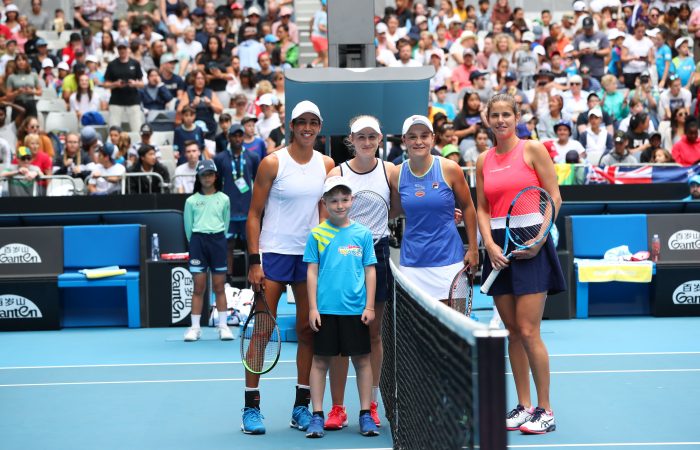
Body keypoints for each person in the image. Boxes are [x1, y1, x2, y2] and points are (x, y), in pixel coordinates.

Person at [242, 100, 335, 435]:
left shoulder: (327, 164)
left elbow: (325, 213)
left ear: (319, 127)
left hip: (307, 257)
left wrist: (324, 250)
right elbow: (254, 215)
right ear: (291, 125)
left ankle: (301, 407)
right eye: (301, 122)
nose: (307, 128)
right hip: (272, 255)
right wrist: (255, 260)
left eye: (313, 122)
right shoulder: (271, 163)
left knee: (309, 332)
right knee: (262, 332)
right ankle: (251, 407)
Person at [475, 93, 565, 435]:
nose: (500, 121)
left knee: (529, 331)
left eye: (506, 115)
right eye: (495, 115)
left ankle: (546, 409)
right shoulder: (483, 159)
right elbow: (482, 207)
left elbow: (554, 196)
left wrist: (541, 237)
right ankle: (524, 406)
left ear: (516, 117)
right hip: (499, 250)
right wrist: (489, 244)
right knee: (511, 332)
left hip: (532, 246)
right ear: (487, 119)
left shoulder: (532, 150)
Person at [322, 115, 395, 430]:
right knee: (340, 335)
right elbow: (321, 216)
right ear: (351, 140)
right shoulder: (336, 172)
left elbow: (407, 206)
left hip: (376, 255)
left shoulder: (389, 171)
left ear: (380, 139)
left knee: (373, 333)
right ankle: (337, 408)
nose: (366, 141)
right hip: (341, 257)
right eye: (360, 137)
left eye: (372, 136)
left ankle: (372, 403)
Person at [302, 176, 379, 439]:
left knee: (362, 361)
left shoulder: (363, 234)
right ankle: (316, 415)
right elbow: (312, 273)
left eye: (344, 199)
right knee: (320, 361)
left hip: (356, 310)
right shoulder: (317, 234)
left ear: (352, 201)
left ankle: (365, 414)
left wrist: (369, 305)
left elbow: (370, 271)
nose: (339, 205)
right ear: (324, 203)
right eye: (333, 200)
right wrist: (313, 308)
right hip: (325, 310)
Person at [389, 114, 479, 300]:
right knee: (415, 327)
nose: (418, 141)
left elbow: (469, 207)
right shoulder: (396, 174)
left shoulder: (450, 169)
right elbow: (396, 210)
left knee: (451, 325)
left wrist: (473, 249)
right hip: (412, 263)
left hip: (449, 259)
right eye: (412, 136)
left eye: (424, 135)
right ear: (404, 140)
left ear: (433, 138)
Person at [182, 159, 234, 341]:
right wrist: (197, 241)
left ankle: (223, 326)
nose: (207, 178)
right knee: (199, 287)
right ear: (198, 177)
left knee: (220, 286)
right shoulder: (191, 201)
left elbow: (226, 224)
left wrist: (217, 238)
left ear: (215, 176)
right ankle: (195, 328)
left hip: (218, 241)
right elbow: (188, 228)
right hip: (198, 242)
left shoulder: (224, 199)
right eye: (204, 174)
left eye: (210, 174)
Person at [214, 123, 260, 287]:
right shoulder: (220, 158)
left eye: (240, 135)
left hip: (248, 208)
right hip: (229, 209)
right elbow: (217, 183)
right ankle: (228, 278)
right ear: (229, 137)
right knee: (228, 245)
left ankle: (253, 277)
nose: (238, 138)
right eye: (234, 135)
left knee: (251, 244)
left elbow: (259, 182)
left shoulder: (253, 157)